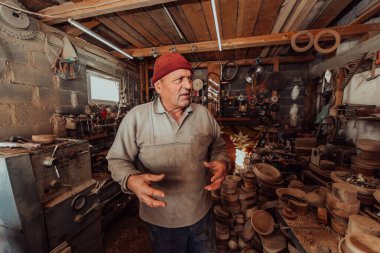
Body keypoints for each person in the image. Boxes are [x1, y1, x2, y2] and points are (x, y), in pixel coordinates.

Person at [106, 52, 228, 253]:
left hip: (202, 216)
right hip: (162, 222)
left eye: (189, 78)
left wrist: (221, 162)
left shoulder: (203, 115)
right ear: (159, 86)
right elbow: (117, 159)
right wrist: (130, 180)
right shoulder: (137, 118)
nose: (188, 85)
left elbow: (218, 146)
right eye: (179, 79)